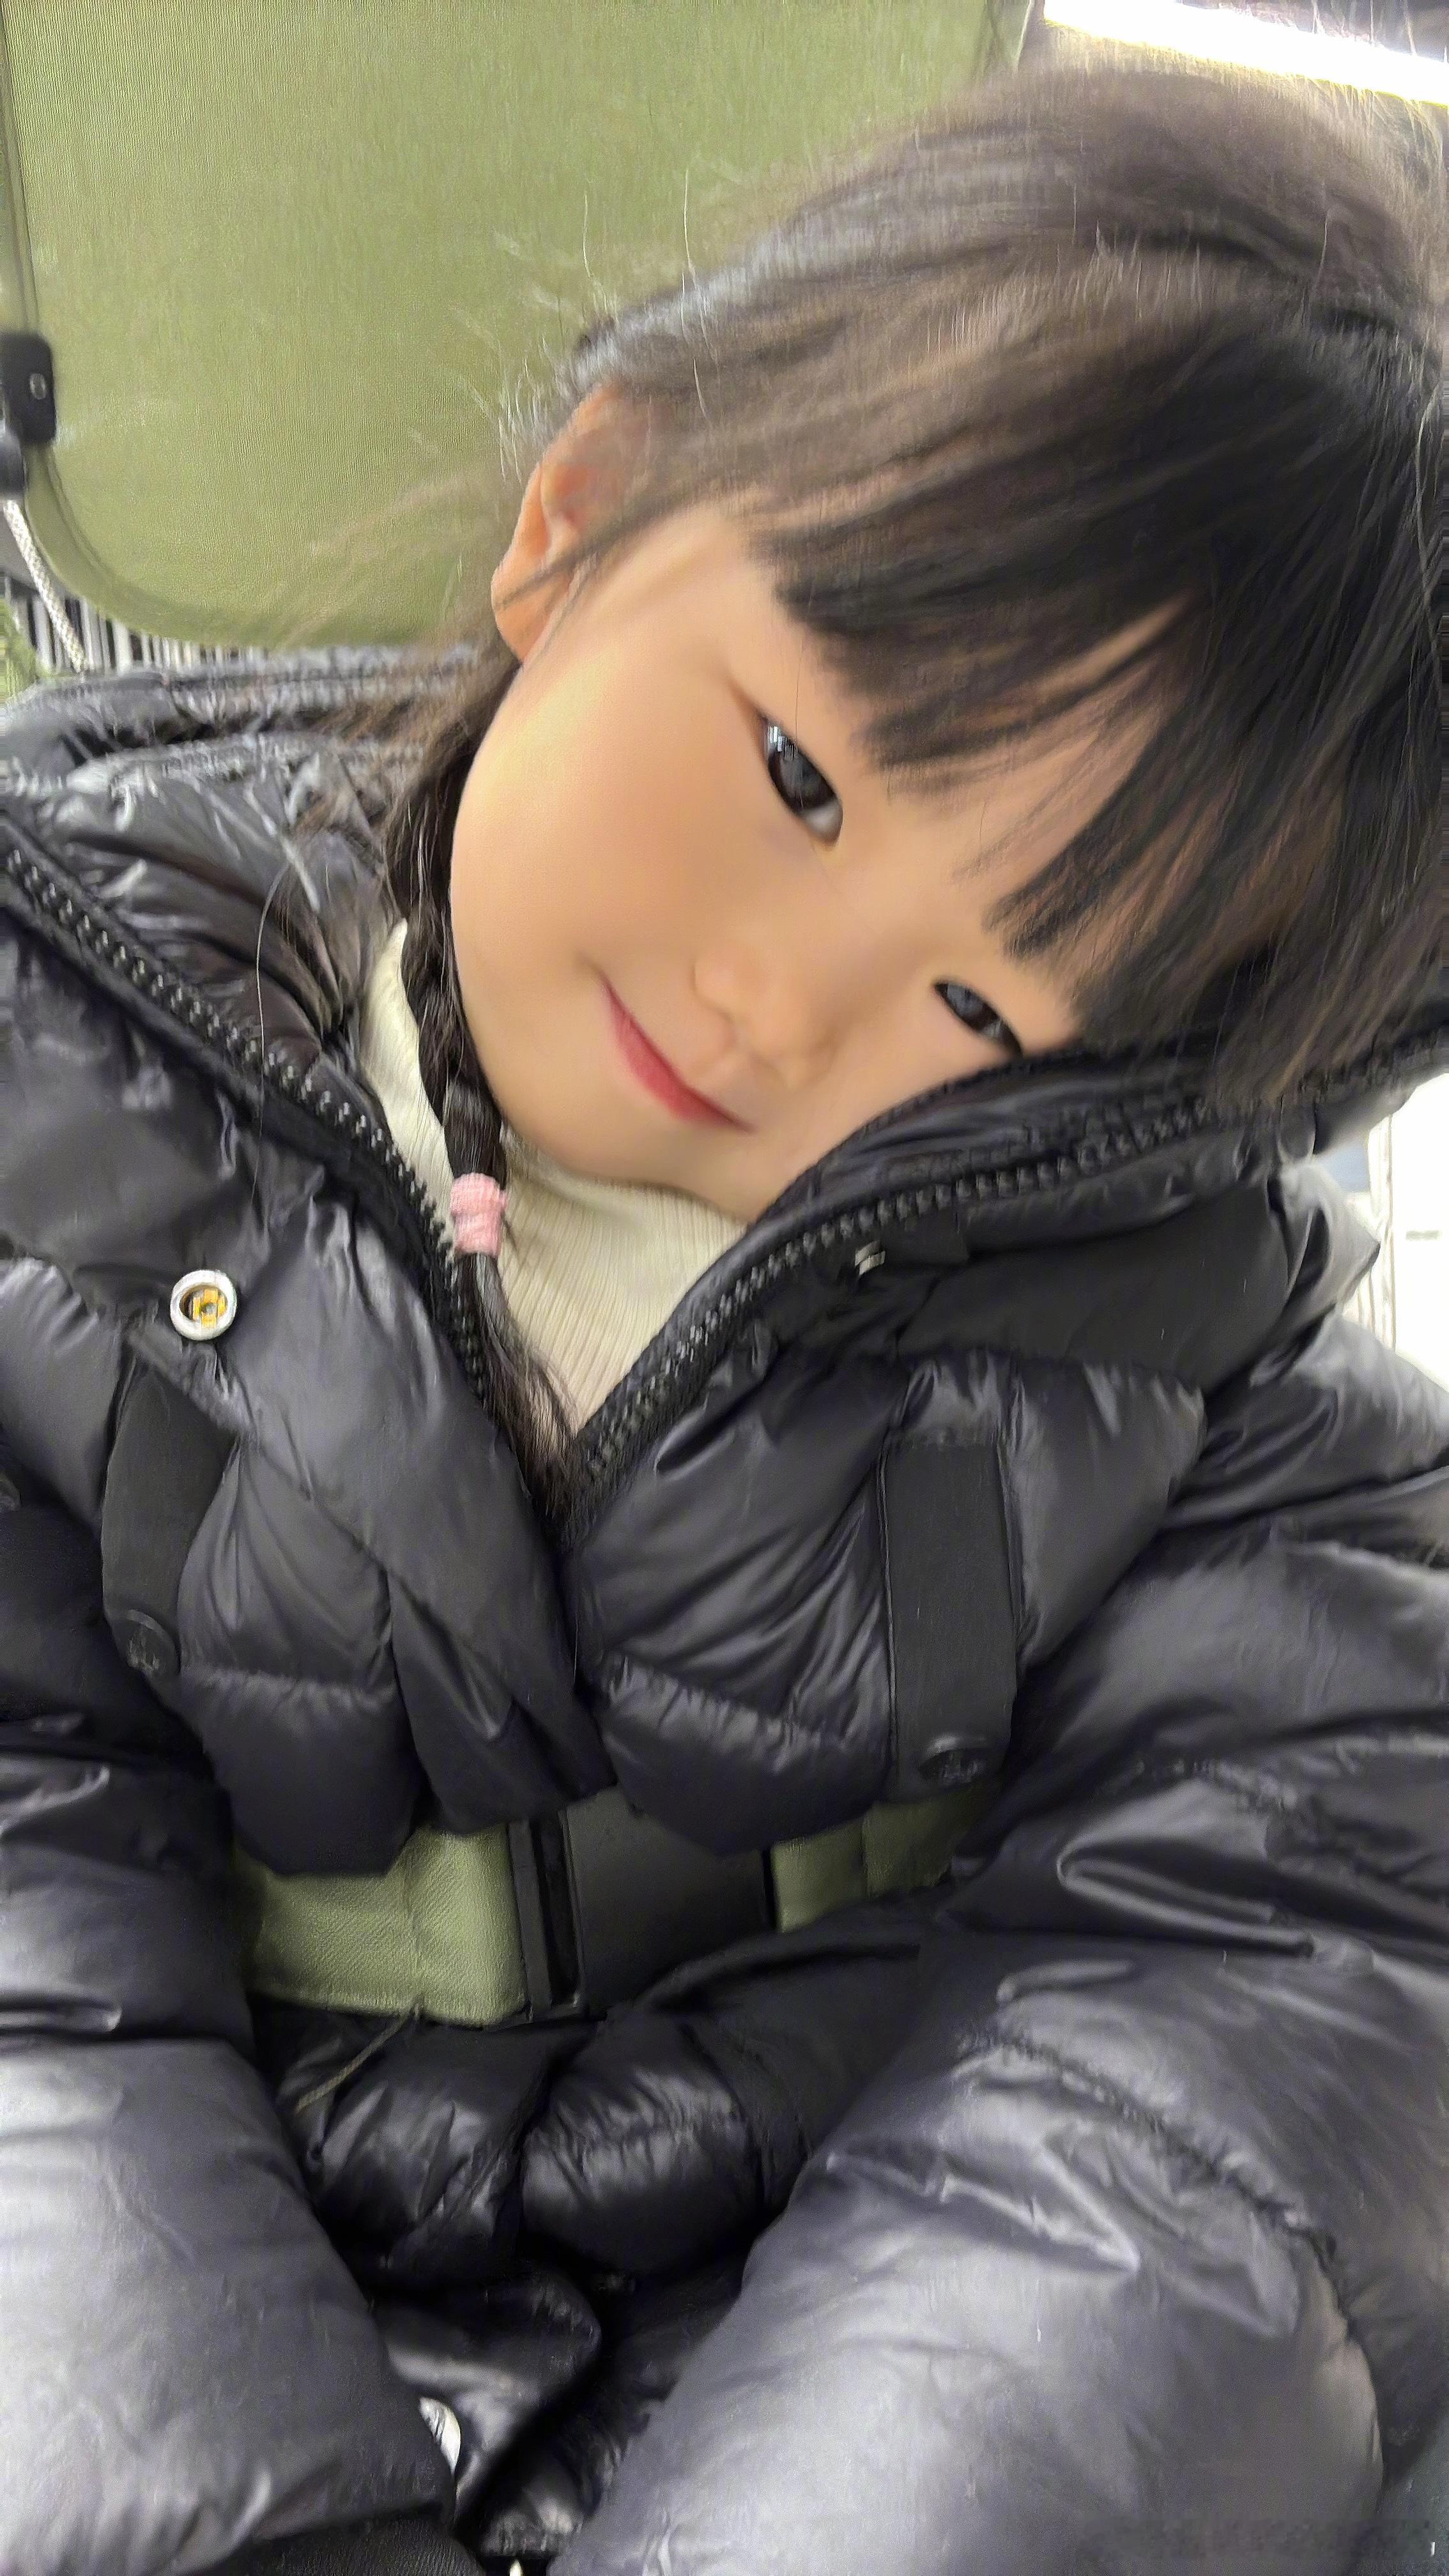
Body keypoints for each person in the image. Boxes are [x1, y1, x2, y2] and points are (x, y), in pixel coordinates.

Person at [1, 50, 1445, 2576]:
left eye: (988, 1012)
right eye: (798, 774)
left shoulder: (1211, 1409)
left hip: (813, 2381)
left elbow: (1206, 2098)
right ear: (580, 515)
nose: (785, 1006)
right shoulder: (62, 1123)